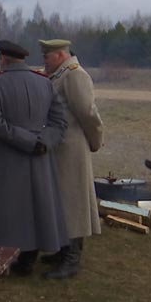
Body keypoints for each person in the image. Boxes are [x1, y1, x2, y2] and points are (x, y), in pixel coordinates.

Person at [0, 40, 69, 276]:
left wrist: (28, 141)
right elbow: (60, 122)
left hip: (8, 156)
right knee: (37, 209)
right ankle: (28, 258)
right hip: (39, 157)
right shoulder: (44, 82)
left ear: (3, 59)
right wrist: (43, 141)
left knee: (2, 211)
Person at [37, 39, 104, 279]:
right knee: (62, 202)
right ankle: (63, 251)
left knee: (73, 203)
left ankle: (72, 258)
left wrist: (95, 141)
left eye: (48, 55)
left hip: (72, 148)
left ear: (60, 55)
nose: (44, 59)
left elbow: (87, 113)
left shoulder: (74, 75)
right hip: (61, 148)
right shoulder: (61, 74)